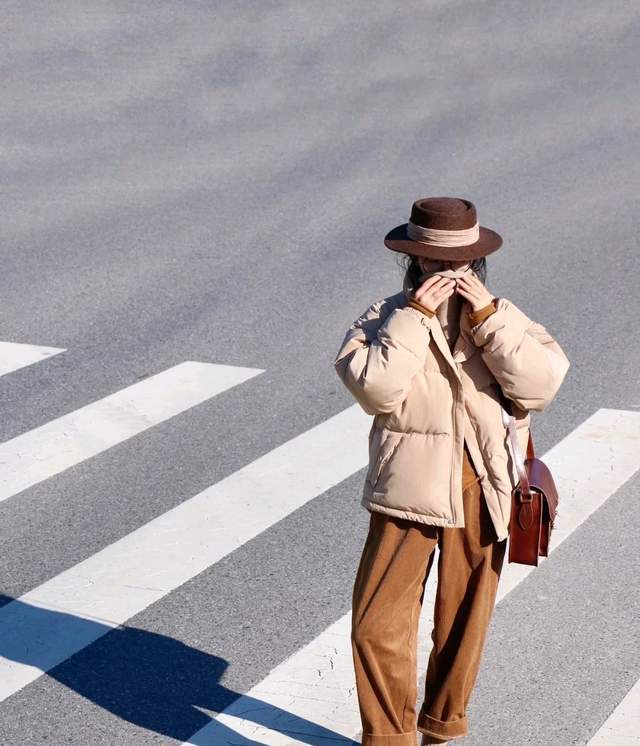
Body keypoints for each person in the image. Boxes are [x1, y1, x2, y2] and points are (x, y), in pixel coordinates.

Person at [332, 197, 570, 745]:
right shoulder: (382, 319)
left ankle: (441, 729)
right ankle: (389, 738)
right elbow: (377, 390)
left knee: (463, 624)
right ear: (414, 265)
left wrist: (488, 318)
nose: (447, 276)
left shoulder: (504, 316)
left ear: (476, 265)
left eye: (459, 266)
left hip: (482, 488)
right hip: (406, 493)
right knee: (376, 626)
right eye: (436, 265)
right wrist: (415, 318)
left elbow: (541, 386)